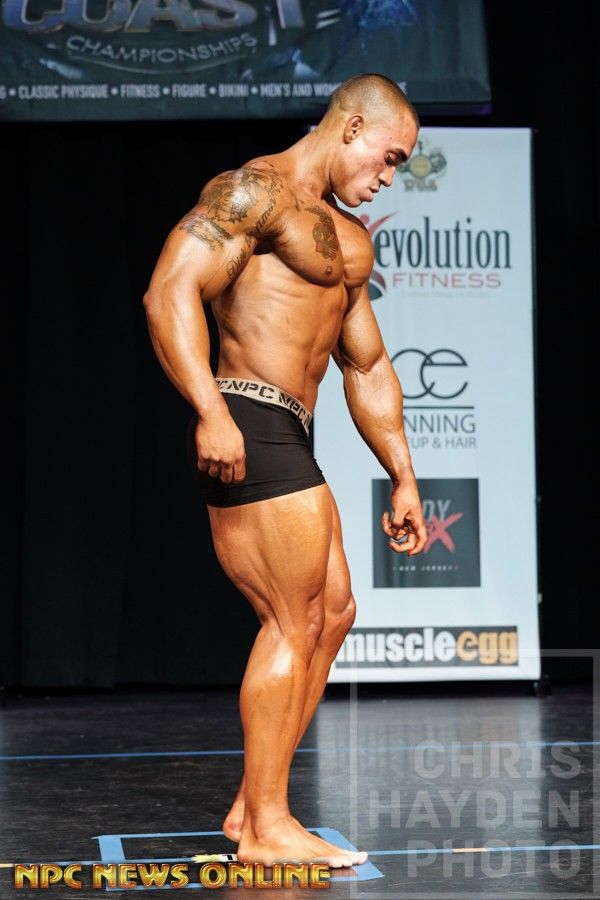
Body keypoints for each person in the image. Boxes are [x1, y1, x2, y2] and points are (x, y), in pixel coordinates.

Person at [143, 73, 428, 868]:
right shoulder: (253, 193)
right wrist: (210, 409)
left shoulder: (350, 241)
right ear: (352, 127)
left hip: (291, 430)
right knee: (292, 619)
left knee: (332, 615)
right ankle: (268, 828)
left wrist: (403, 475)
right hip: (246, 414)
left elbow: (366, 367)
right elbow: (169, 291)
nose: (390, 176)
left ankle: (252, 807)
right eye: (389, 156)